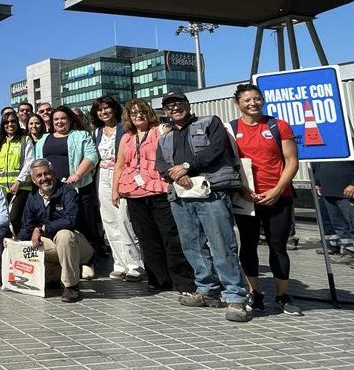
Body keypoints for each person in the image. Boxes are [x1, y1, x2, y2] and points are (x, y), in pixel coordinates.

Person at [155, 91, 251, 323]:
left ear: (187, 104)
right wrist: (177, 176)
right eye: (169, 106)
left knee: (221, 243)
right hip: (181, 194)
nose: (174, 108)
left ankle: (236, 297)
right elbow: (160, 164)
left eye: (178, 103)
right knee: (192, 244)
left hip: (211, 191)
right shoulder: (165, 136)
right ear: (165, 112)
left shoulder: (209, 122)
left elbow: (217, 149)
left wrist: (187, 166)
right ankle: (207, 289)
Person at [229, 84, 302, 315]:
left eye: (257, 99)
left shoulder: (278, 126)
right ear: (238, 103)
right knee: (248, 246)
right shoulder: (230, 129)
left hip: (278, 196)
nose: (253, 103)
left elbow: (291, 161)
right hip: (246, 197)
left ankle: (282, 295)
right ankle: (256, 293)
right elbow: (229, 164)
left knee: (278, 245)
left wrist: (278, 189)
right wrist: (241, 189)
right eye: (247, 100)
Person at [112, 99, 194, 294]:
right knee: (146, 238)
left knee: (170, 236)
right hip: (133, 192)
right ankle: (157, 279)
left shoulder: (160, 130)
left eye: (141, 112)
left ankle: (182, 281)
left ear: (148, 113)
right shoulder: (126, 137)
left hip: (159, 190)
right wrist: (115, 190)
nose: (138, 116)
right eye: (133, 113)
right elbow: (120, 165)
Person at [35, 105, 99, 279]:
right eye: (56, 119)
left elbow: (92, 156)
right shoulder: (43, 139)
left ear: (70, 120)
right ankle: (66, 262)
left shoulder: (81, 135)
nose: (59, 122)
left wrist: (78, 174)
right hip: (51, 192)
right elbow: (37, 163)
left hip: (78, 189)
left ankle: (87, 261)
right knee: (59, 228)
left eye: (63, 118)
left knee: (83, 225)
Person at [16, 159, 95, 302]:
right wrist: (14, 242)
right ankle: (55, 274)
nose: (44, 178)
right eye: (39, 176)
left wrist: (42, 228)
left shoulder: (67, 191)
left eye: (46, 173)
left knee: (64, 235)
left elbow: (71, 220)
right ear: (33, 180)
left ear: (53, 174)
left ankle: (71, 286)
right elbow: (27, 227)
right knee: (29, 244)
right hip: (52, 243)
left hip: (77, 243)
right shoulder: (32, 198)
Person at [90, 96, 143, 282]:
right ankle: (119, 263)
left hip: (121, 174)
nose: (103, 112)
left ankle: (135, 264)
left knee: (125, 220)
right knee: (109, 221)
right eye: (100, 110)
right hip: (102, 176)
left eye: (107, 108)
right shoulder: (96, 132)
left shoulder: (124, 128)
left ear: (114, 109)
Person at [312, 137, 354, 269]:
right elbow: (318, 165)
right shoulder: (325, 146)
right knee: (340, 225)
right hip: (329, 193)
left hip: (349, 194)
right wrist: (317, 182)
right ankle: (350, 252)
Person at [0, 113, 35, 236]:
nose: (10, 124)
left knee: (14, 219)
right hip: (2, 188)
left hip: (21, 187)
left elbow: (29, 161)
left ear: (17, 123)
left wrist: (19, 181)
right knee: (2, 220)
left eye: (13, 121)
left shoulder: (25, 139)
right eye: (6, 122)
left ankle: (19, 244)